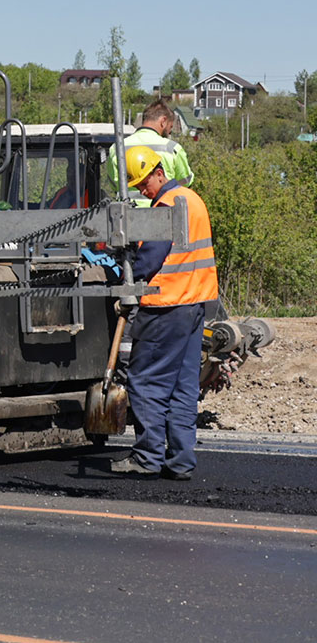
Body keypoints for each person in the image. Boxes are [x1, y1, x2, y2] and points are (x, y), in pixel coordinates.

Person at [111, 147, 218, 480]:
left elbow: (149, 261)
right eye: (138, 187)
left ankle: (147, 456)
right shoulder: (192, 199)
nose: (143, 191)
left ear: (159, 172)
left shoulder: (166, 207)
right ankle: (181, 460)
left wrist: (128, 284)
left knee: (145, 380)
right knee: (183, 386)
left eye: (145, 183)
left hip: (166, 306)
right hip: (194, 305)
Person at [107, 98, 193, 202]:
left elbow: (114, 184)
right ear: (163, 121)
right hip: (164, 211)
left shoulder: (117, 148)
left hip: (126, 212)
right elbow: (185, 182)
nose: (169, 132)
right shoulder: (173, 148)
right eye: (170, 127)